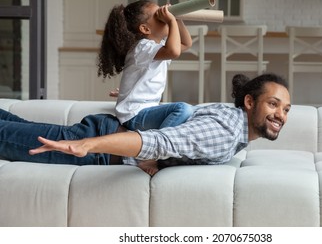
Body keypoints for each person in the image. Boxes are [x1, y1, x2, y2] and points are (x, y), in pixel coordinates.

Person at [0, 73, 291, 174]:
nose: (281, 115)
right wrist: (87, 145)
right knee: (6, 137)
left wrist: (162, 164)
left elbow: (178, 128)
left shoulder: (232, 120)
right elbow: (161, 141)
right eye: (273, 104)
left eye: (286, 109)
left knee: (13, 127)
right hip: (101, 149)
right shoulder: (225, 134)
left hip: (104, 136)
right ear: (250, 102)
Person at [97, 0, 193, 172]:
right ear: (145, 29)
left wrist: (176, 19)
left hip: (142, 112)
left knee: (187, 115)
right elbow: (175, 51)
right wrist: (171, 21)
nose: (165, 17)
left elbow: (186, 44)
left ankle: (153, 146)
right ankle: (152, 154)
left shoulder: (155, 48)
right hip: (134, 115)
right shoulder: (142, 47)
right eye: (159, 16)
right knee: (183, 109)